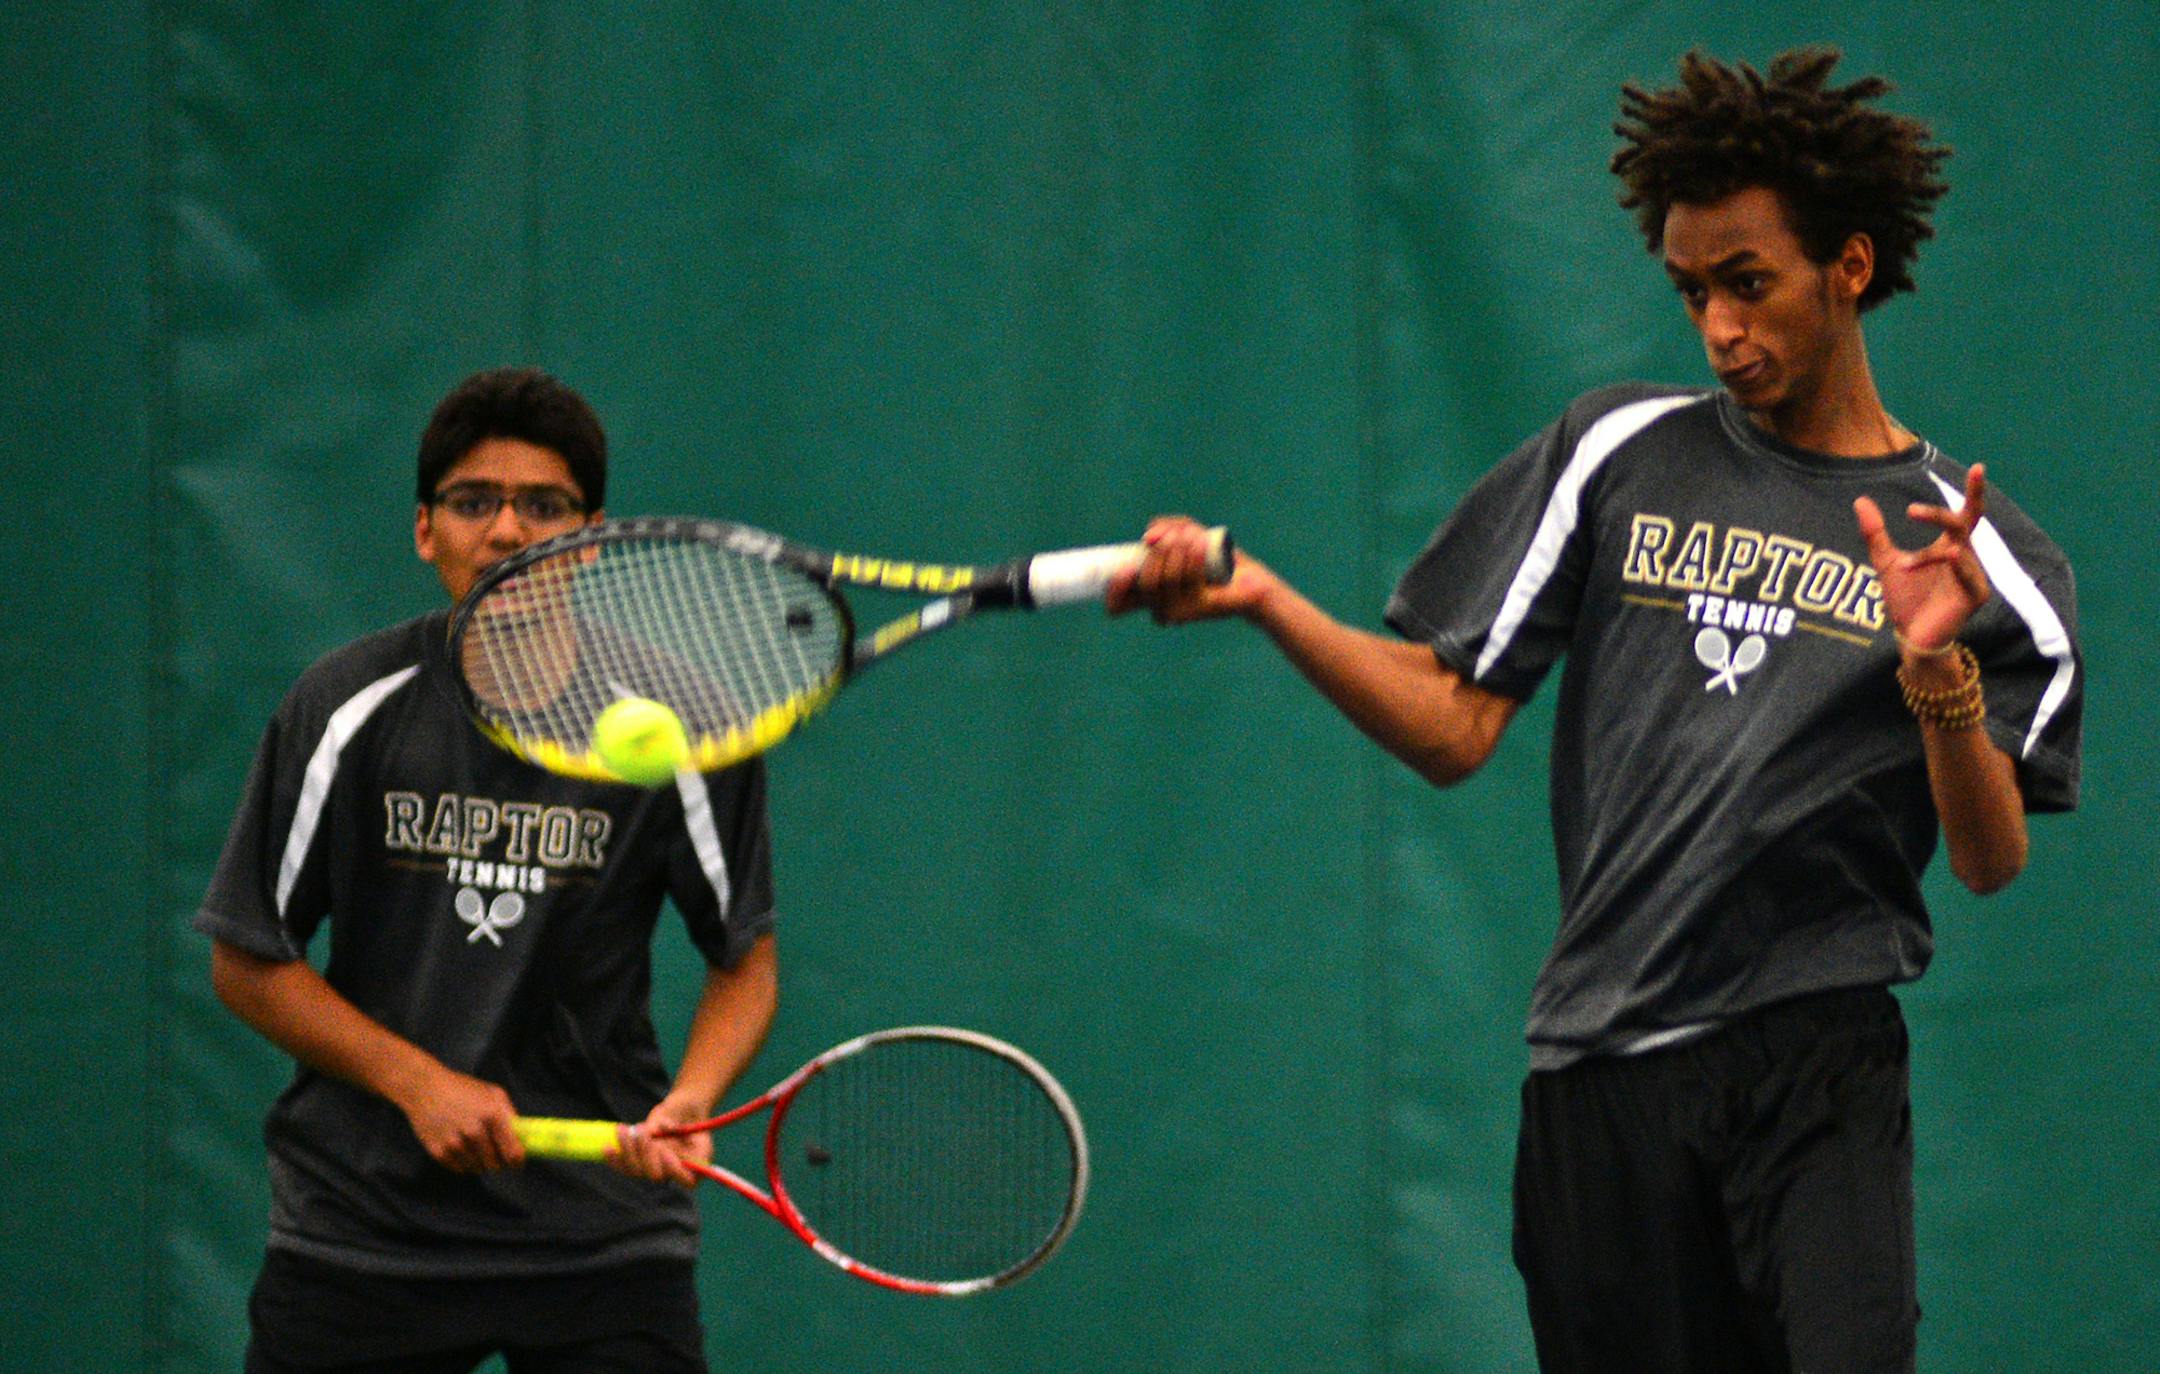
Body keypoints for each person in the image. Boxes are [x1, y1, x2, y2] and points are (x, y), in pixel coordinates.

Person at [1113, 47, 2081, 1373]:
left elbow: (1989, 854)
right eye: (1693, 293)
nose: (1720, 329)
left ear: (1848, 268)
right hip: (1603, 1081)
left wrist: (1934, 665)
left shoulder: (1986, 556)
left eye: (1751, 283)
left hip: (1820, 1060)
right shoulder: (1615, 450)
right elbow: (1454, 725)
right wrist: (1271, 602)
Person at [197, 366, 778, 1373]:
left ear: (591, 539)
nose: (508, 533)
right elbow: (248, 960)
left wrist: (691, 1096)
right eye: (474, 504)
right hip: (367, 1229)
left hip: (600, 1237)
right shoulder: (344, 709)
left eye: (544, 507)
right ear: (428, 532)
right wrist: (419, 1083)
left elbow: (744, 959)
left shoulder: (681, 725)